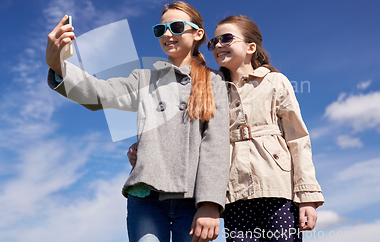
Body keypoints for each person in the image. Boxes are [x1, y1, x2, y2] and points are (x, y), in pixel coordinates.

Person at [129, 15, 324, 242]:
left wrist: (307, 197)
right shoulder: (209, 87)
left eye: (227, 39)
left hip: (277, 190)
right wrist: (147, 151)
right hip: (234, 196)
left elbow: (298, 139)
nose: (218, 45)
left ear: (251, 47)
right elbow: (190, 133)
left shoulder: (275, 82)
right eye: (214, 42)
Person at [46, 1, 230, 242]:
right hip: (146, 199)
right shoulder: (144, 79)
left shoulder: (214, 81)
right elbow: (99, 92)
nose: (167, 34)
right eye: (160, 29)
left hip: (194, 200)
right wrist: (57, 64)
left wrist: (210, 203)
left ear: (197, 34)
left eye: (175, 27)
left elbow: (215, 145)